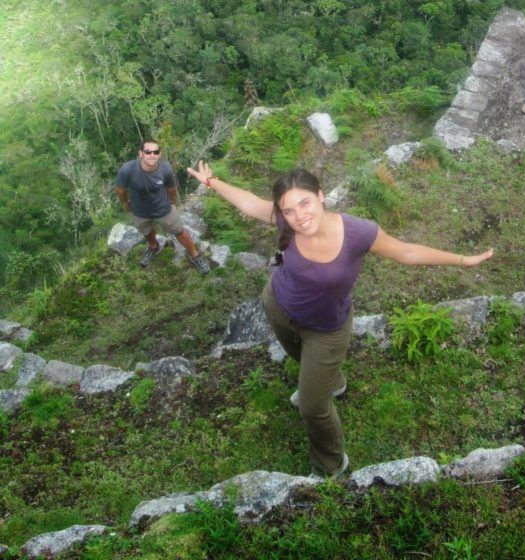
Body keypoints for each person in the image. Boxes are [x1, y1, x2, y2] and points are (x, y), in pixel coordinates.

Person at [186, 162, 493, 477]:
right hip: (278, 305)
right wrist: (211, 182)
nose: (299, 216)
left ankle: (330, 465)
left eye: (305, 203)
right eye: (288, 210)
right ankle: (331, 383)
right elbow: (249, 203)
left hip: (325, 330)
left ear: (321, 196)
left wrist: (461, 260)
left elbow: (407, 252)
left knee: (312, 408)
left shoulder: (357, 233)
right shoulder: (285, 222)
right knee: (298, 357)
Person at [115, 139, 210, 274]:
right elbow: (120, 190)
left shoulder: (165, 168)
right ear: (140, 153)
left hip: (162, 208)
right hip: (139, 210)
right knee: (147, 231)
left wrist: (172, 203)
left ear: (159, 154)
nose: (152, 155)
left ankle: (195, 255)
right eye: (148, 152)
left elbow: (171, 188)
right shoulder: (128, 169)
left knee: (179, 231)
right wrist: (125, 203)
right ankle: (153, 247)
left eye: (156, 152)